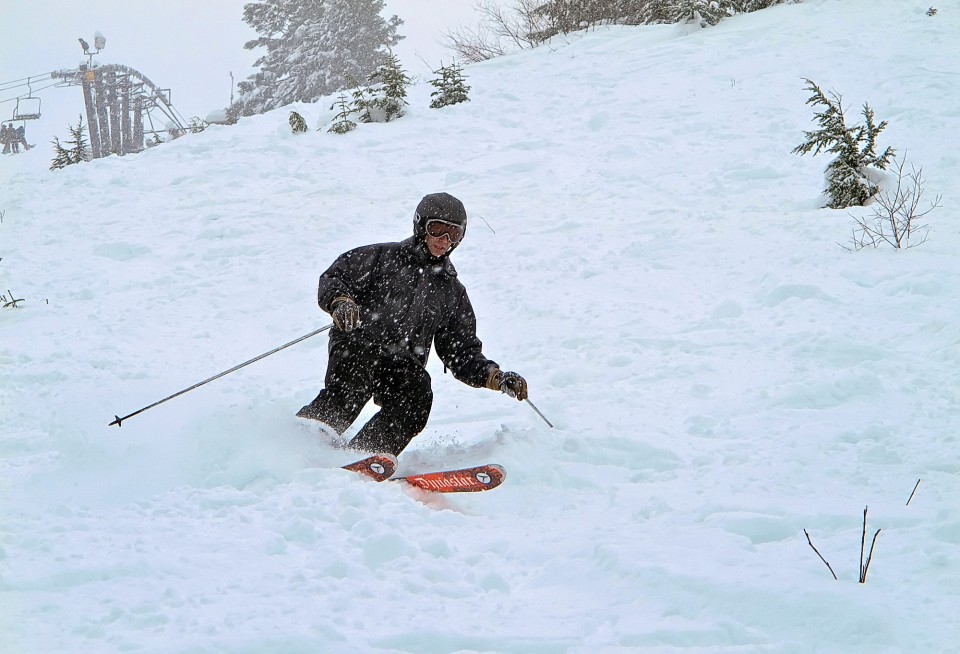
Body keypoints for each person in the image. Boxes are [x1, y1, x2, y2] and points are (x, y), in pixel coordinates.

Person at [297, 192, 528, 456]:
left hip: (402, 361)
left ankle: (364, 455)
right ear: (421, 226)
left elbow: (460, 350)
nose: (445, 241)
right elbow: (336, 276)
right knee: (351, 386)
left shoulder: (451, 291)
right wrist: (341, 302)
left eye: (454, 234)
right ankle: (303, 441)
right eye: (438, 229)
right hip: (358, 345)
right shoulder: (382, 258)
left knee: (417, 394)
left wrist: (494, 377)